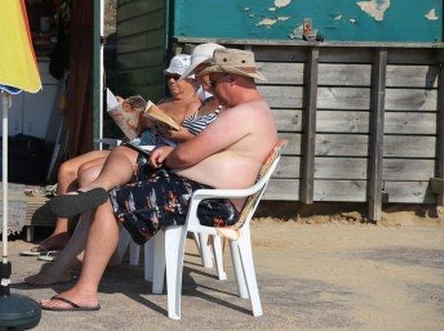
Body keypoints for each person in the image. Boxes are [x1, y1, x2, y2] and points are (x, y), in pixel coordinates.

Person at [38, 48, 278, 311]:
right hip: (196, 191)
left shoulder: (242, 113)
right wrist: (172, 154)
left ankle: (85, 291)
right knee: (126, 158)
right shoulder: (253, 111)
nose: (211, 89)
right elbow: (195, 153)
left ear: (232, 79)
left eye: (215, 81)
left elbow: (186, 156)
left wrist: (172, 155)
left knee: (108, 201)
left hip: (207, 201)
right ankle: (89, 202)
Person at [23, 58, 222, 284]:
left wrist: (173, 135)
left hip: (156, 158)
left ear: (194, 80)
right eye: (168, 76)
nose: (172, 81)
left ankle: (91, 253)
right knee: (70, 169)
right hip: (138, 146)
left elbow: (196, 144)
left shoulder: (206, 109)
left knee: (90, 176)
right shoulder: (168, 102)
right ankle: (68, 240)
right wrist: (126, 112)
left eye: (178, 77)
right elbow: (138, 131)